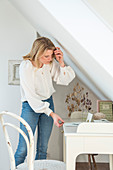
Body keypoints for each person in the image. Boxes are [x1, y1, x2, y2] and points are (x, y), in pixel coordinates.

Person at [14, 37, 75, 167]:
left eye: (51, 56)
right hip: (30, 106)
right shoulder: (26, 67)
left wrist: (61, 62)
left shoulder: (50, 64)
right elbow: (31, 97)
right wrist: (51, 114)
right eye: (46, 56)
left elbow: (64, 80)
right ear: (37, 53)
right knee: (22, 149)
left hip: (48, 102)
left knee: (43, 148)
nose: (49, 59)